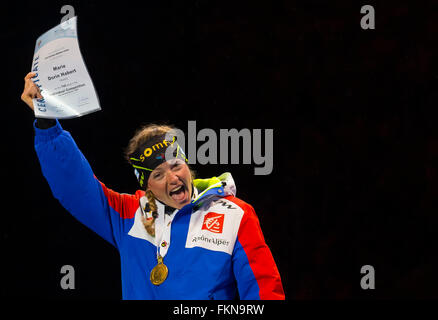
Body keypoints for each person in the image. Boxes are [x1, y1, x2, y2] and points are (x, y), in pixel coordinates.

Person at [21, 72, 285, 300]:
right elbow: (74, 186)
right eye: (158, 174)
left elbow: (263, 290)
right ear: (146, 186)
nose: (173, 178)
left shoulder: (235, 215)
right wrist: (47, 123)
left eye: (176, 165)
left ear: (187, 164)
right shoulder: (128, 215)